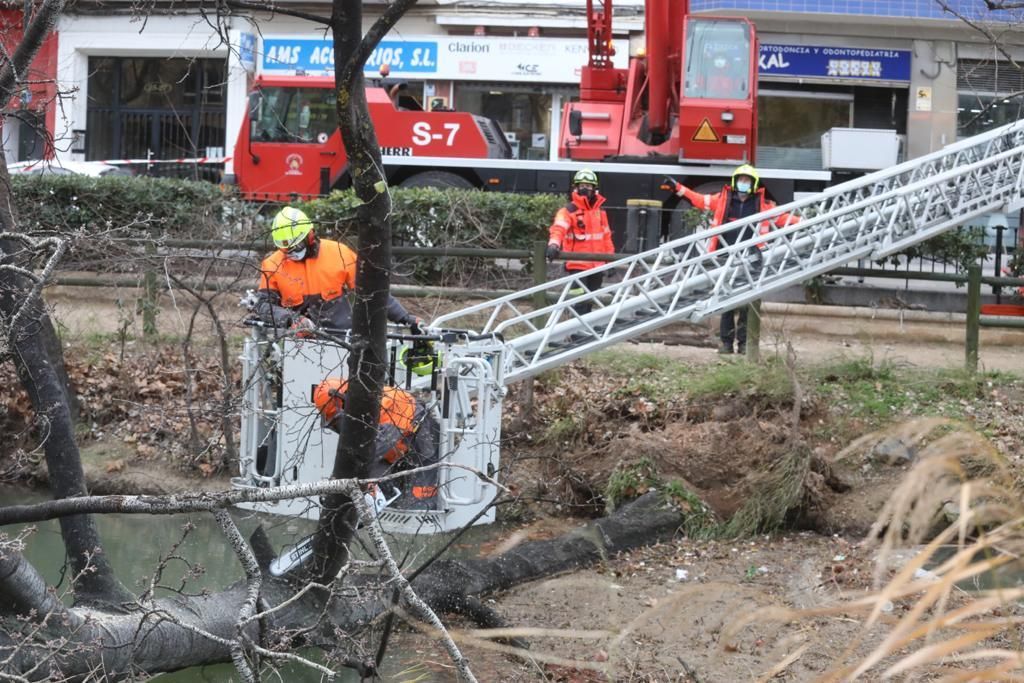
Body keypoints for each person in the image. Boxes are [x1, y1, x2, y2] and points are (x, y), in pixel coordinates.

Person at [672, 164, 799, 354]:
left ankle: (745, 344)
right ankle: (726, 343)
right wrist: (679, 189)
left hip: (751, 259)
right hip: (726, 257)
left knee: (748, 304)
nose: (744, 184)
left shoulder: (763, 205)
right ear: (735, 181)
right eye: (741, 180)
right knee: (726, 302)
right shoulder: (723, 201)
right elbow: (700, 200)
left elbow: (784, 218)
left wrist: (806, 222)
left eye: (747, 181)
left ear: (754, 184)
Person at [255, 207, 421, 334]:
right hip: (296, 342)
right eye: (286, 249)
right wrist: (291, 319)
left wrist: (404, 318)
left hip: (341, 338)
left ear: (310, 236)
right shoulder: (272, 264)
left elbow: (373, 292)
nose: (291, 253)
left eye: (295, 246)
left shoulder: (339, 253)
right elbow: (263, 306)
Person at [313, 377, 441, 509]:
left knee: (418, 502)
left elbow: (366, 455)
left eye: (338, 420)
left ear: (345, 401)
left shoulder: (386, 406)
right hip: (396, 449)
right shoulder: (363, 408)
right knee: (378, 490)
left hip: (421, 443)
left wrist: (338, 482)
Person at [546, 168, 615, 316]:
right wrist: (553, 244)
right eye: (582, 185)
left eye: (589, 186)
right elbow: (558, 228)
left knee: (590, 301)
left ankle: (584, 333)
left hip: (597, 266)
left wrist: (611, 261)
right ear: (575, 188)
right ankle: (574, 332)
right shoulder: (568, 211)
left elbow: (606, 237)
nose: (585, 189)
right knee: (578, 302)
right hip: (577, 266)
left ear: (594, 189)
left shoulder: (600, 212)